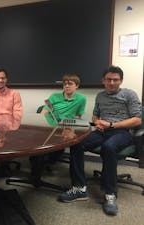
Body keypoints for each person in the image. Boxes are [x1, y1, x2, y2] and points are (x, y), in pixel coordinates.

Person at [58, 66, 142, 216]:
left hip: (122, 132)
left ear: (121, 81)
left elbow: (137, 120)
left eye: (115, 80)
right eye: (108, 79)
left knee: (108, 147)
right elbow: (95, 116)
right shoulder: (100, 96)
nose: (111, 82)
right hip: (102, 130)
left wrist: (111, 125)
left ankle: (110, 194)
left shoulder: (129, 94)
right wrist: (98, 122)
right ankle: (79, 188)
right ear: (103, 81)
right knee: (76, 141)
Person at [30, 74, 86, 181]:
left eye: (70, 84)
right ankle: (36, 168)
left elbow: (78, 116)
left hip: (65, 127)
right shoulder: (54, 97)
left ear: (77, 86)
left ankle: (45, 161)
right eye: (65, 84)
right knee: (36, 142)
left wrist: (70, 127)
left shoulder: (81, 99)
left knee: (57, 148)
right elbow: (44, 112)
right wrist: (41, 125)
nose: (67, 86)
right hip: (50, 125)